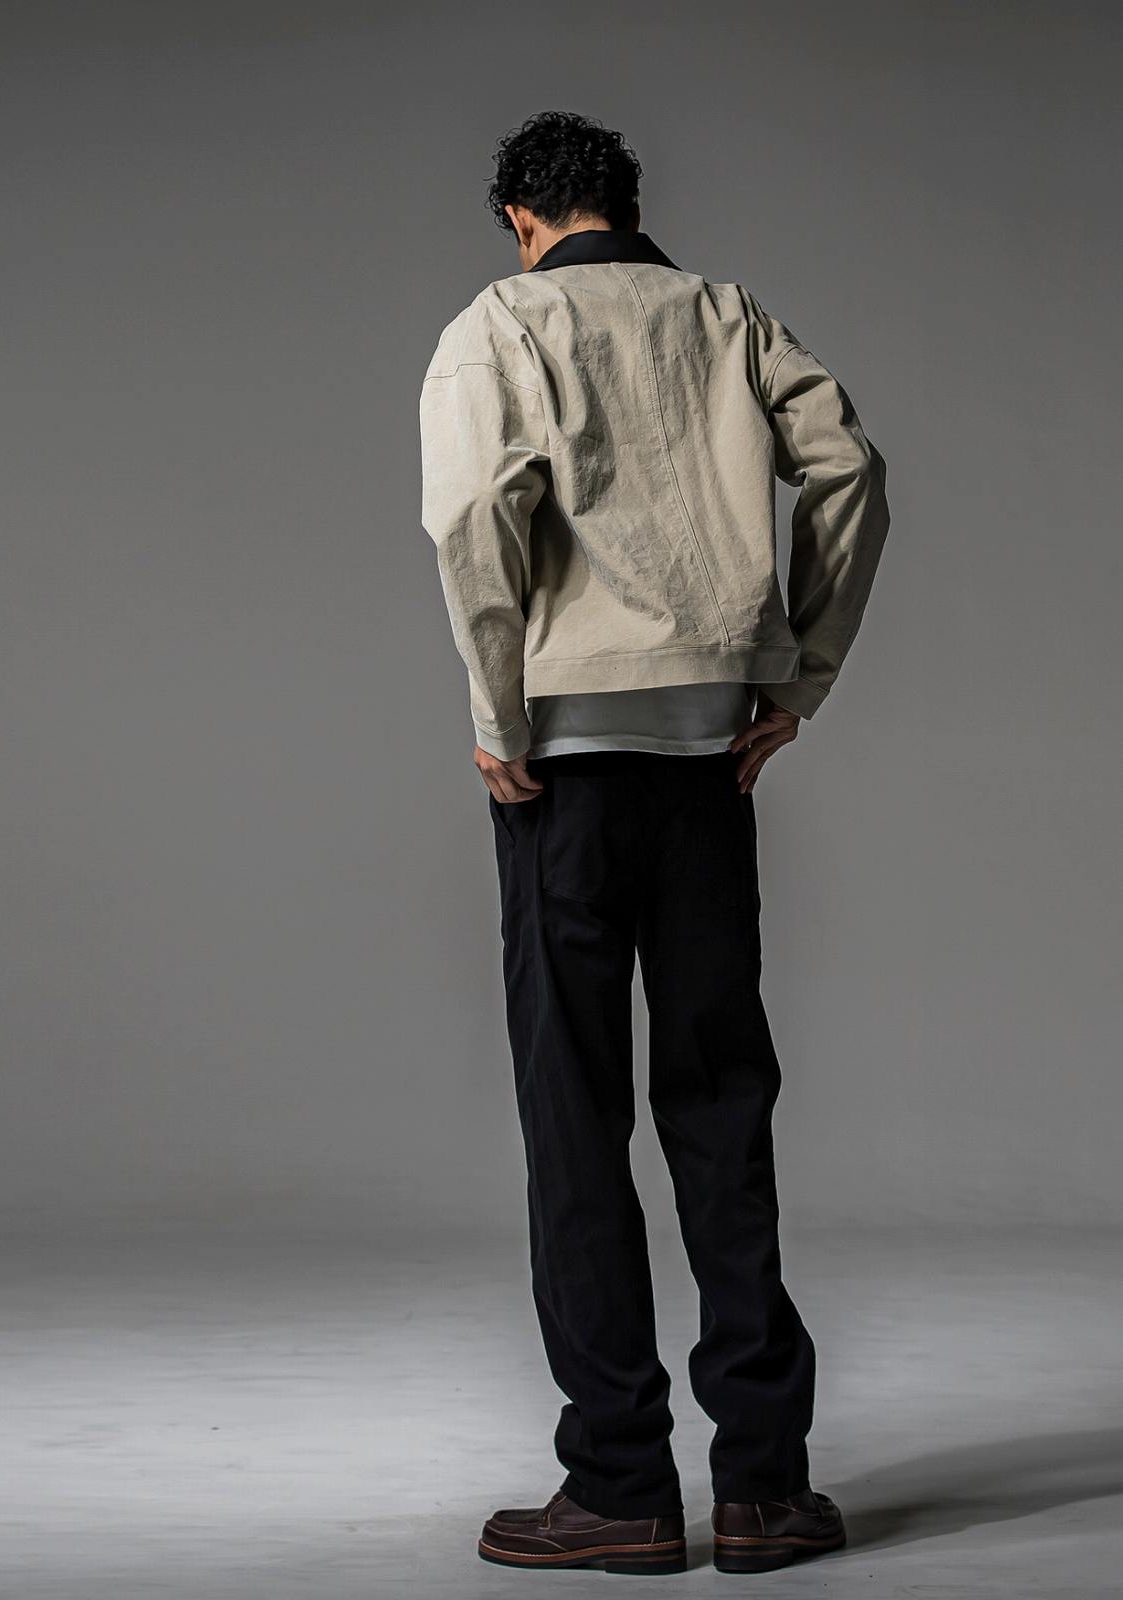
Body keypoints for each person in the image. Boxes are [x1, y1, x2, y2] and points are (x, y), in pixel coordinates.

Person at [418, 110, 891, 1575]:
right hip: (705, 763)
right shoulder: (727, 316)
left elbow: (473, 513)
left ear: (521, 220)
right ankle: (763, 1487)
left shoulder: (501, 322)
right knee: (720, 1103)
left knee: (576, 1117)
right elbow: (851, 472)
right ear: (626, 204)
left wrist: (498, 712)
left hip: (557, 772)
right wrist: (799, 677)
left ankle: (620, 1483)